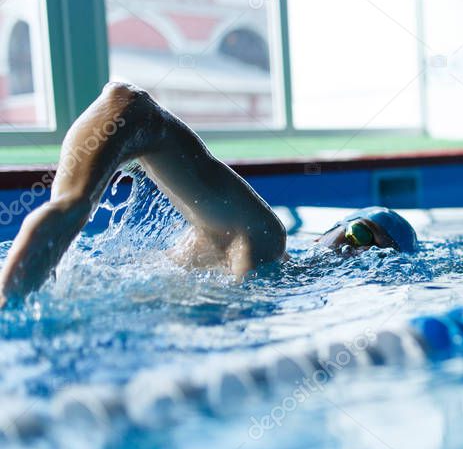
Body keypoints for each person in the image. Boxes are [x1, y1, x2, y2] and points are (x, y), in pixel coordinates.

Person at [0, 82, 418, 308]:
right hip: (126, 122)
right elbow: (133, 110)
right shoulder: (262, 237)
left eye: (377, 254)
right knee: (73, 208)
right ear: (332, 230)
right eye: (360, 234)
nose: (354, 250)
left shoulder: (264, 276)